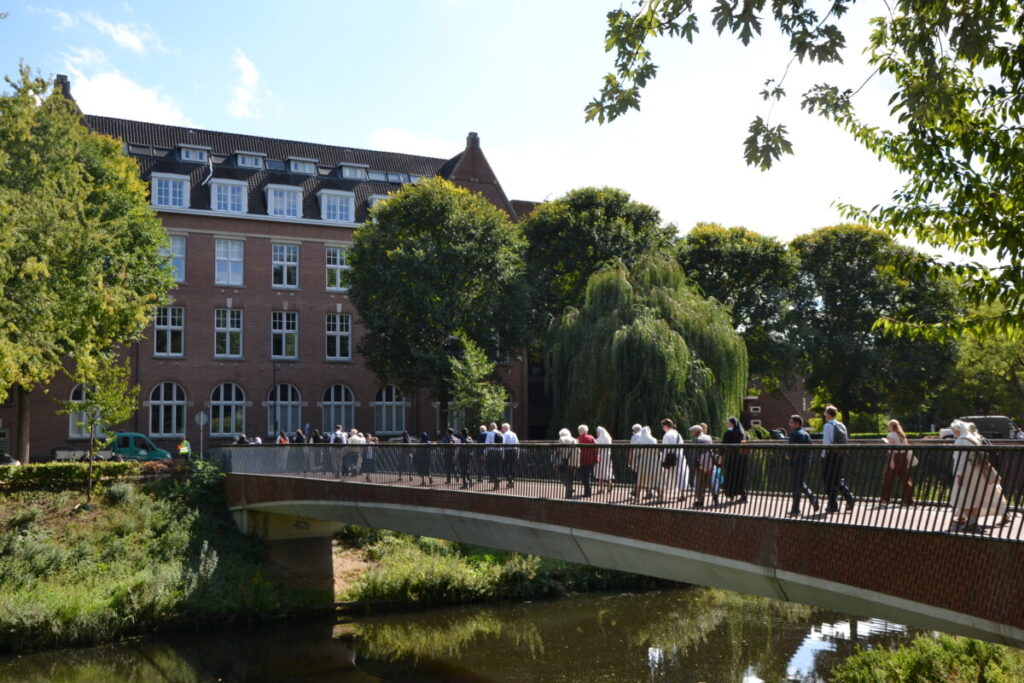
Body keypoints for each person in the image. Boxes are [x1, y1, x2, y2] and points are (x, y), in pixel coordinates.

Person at [950, 420, 1011, 532]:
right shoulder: (975, 438)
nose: (953, 432)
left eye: (954, 430)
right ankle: (972, 521)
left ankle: (971, 522)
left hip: (966, 472)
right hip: (979, 471)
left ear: (958, 430)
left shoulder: (960, 441)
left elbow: (960, 459)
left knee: (963, 496)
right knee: (975, 497)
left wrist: (958, 474)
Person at [821, 405, 855, 514]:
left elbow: (826, 443)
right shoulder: (842, 425)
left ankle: (833, 505)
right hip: (840, 455)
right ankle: (848, 496)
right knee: (838, 478)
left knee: (828, 481)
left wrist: (823, 456)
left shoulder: (828, 426)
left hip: (830, 455)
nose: (824, 414)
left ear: (829, 414)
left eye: (825, 413)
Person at [787, 415, 820, 516]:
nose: (790, 424)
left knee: (796, 486)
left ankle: (796, 509)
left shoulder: (794, 434)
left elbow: (792, 449)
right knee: (800, 484)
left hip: (796, 463)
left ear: (797, 423)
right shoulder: (806, 434)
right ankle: (811, 498)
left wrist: (788, 456)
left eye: (791, 422)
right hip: (805, 463)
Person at [881, 418, 914, 506]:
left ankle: (886, 499)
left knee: (887, 478)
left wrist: (891, 460)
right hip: (903, 457)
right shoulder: (901, 435)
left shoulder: (891, 435)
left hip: (895, 457)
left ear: (891, 426)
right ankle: (908, 500)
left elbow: (892, 449)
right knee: (905, 478)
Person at [690, 424, 718, 509]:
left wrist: (694, 465)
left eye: (691, 432)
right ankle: (715, 496)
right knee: (709, 481)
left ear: (695, 432)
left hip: (700, 463)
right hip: (709, 462)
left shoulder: (696, 440)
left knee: (700, 483)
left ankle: (700, 501)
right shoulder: (708, 437)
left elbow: (695, 453)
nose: (691, 434)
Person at [721, 417, 749, 504]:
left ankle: (731, 494)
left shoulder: (728, 433)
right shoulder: (744, 434)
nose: (727, 424)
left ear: (732, 424)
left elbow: (724, 446)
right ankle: (743, 495)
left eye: (728, 423)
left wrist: (721, 455)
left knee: (731, 476)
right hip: (742, 459)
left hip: (731, 459)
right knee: (740, 476)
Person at [632, 425, 662, 501]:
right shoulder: (654, 440)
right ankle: (660, 497)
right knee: (656, 480)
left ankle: (637, 497)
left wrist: (634, 461)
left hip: (643, 463)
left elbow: (636, 453)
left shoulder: (640, 441)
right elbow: (658, 452)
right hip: (653, 463)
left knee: (640, 480)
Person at [661, 418, 686, 502]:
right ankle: (682, 494)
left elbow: (666, 449)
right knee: (681, 475)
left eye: (663, 426)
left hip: (671, 458)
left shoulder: (667, 435)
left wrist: (663, 460)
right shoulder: (678, 434)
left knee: (668, 476)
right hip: (680, 456)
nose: (662, 428)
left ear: (665, 426)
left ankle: (664, 495)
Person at [557, 428, 580, 498]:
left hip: (566, 461)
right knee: (571, 477)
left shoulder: (562, 439)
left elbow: (559, 450)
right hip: (574, 461)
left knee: (562, 475)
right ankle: (569, 494)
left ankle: (568, 488)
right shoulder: (574, 439)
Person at [577, 425, 597, 498]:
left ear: (580, 431)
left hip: (582, 460)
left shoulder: (578, 439)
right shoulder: (591, 438)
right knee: (588, 475)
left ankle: (587, 491)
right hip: (591, 460)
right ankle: (588, 491)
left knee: (583, 476)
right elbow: (596, 447)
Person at [482, 422, 504, 489]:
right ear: (496, 427)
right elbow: (503, 444)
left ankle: (495, 482)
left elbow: (487, 444)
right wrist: (503, 454)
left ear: (490, 427)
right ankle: (498, 480)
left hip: (492, 452)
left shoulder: (489, 433)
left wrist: (485, 454)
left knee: (492, 467)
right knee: (498, 467)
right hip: (499, 452)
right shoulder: (501, 434)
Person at [594, 426, 615, 493]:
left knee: (600, 471)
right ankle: (609, 483)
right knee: (607, 470)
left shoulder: (598, 440)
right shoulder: (608, 438)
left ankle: (601, 488)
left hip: (600, 455)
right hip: (607, 456)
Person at [500, 423, 519, 489]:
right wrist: (517, 454)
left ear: (505, 428)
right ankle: (512, 480)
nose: (501, 430)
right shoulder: (514, 434)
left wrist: (502, 453)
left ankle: (509, 480)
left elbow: (503, 444)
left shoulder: (504, 434)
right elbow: (517, 443)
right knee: (512, 467)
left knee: (503, 467)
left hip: (507, 451)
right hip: (514, 451)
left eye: (502, 428)